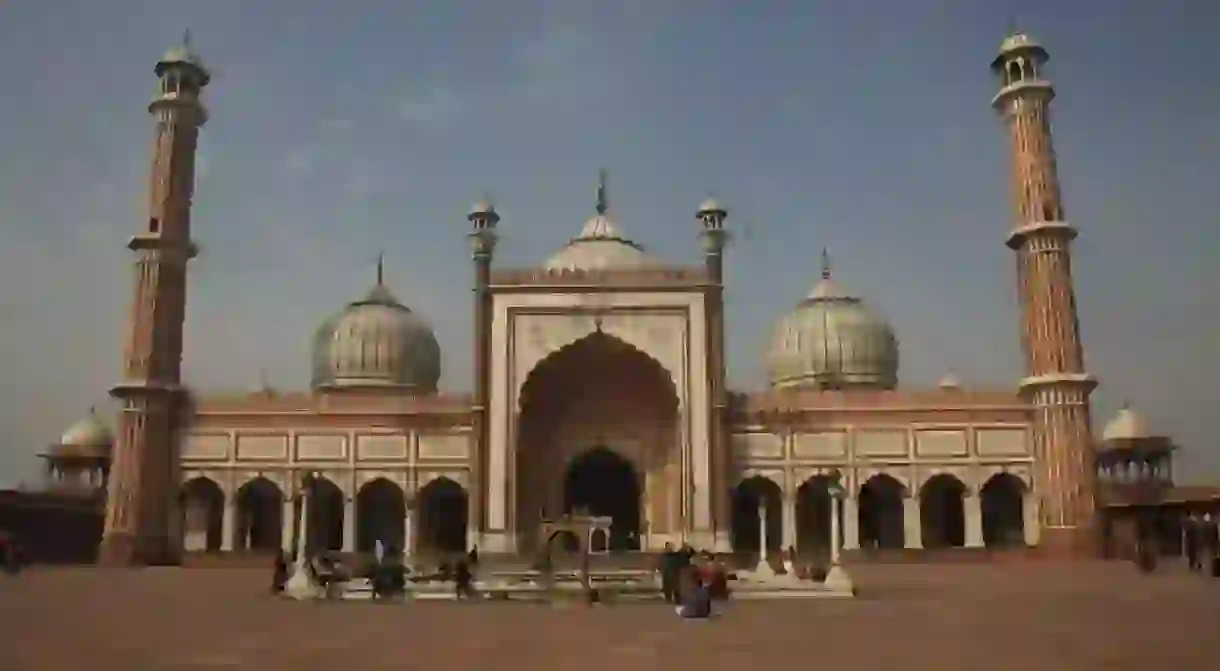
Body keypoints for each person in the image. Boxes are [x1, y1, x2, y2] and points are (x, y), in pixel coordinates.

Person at [1202, 513, 1220, 577]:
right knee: (1212, 557)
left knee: (1210, 557)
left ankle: (1211, 569)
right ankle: (1212, 570)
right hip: (1212, 544)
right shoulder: (1213, 526)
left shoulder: (1207, 526)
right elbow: (1216, 535)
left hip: (1211, 543)